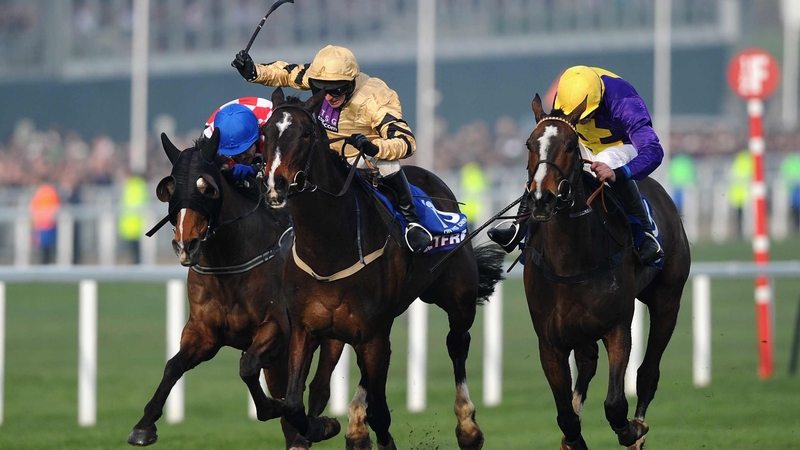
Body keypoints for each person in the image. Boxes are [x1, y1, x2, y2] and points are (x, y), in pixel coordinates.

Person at [232, 45, 432, 254]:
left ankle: (412, 222)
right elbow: (285, 73)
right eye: (322, 89)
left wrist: (374, 146)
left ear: (351, 82)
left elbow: (406, 141)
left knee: (388, 164)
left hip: (362, 157)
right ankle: (293, 224)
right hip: (326, 154)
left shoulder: (376, 98)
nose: (328, 97)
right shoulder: (321, 77)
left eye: (337, 90)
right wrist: (254, 72)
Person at [488, 65, 665, 264]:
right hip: (582, 142)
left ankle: (646, 234)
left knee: (603, 161)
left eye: (584, 114)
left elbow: (654, 151)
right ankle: (518, 228)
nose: (581, 119)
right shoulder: (567, 96)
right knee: (550, 156)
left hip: (622, 145)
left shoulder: (625, 101)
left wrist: (620, 173)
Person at [204, 98, 274, 181]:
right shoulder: (210, 136)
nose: (242, 158)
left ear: (257, 137)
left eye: (245, 150)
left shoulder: (272, 127)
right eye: (234, 154)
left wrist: (256, 169)